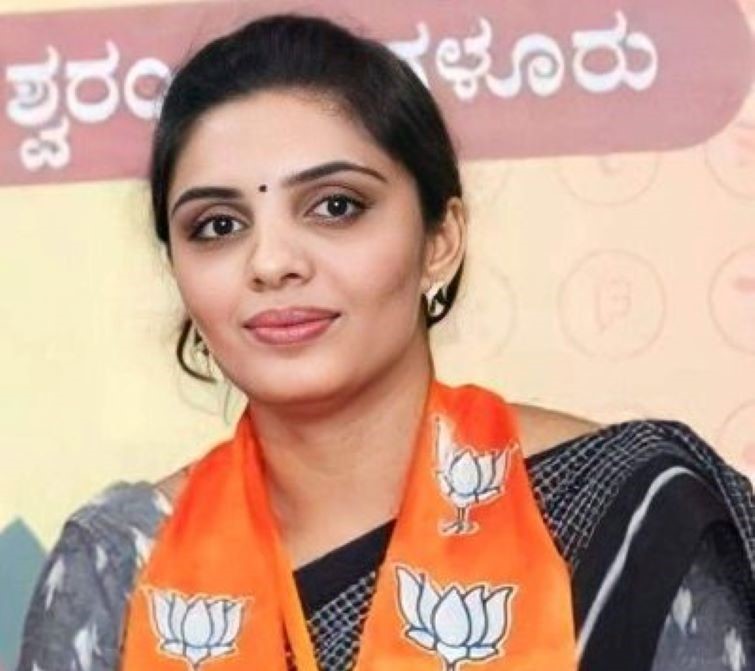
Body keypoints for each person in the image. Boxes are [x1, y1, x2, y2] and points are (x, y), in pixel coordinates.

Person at [16, 13, 755, 671]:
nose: (271, 262)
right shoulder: (120, 565)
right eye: (218, 225)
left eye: (336, 206)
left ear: (441, 240)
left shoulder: (621, 512)